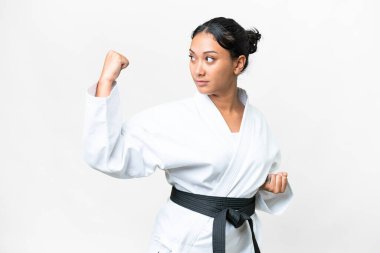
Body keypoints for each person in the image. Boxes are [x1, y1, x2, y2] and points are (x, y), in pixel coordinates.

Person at [82, 17, 293, 253]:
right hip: (183, 242)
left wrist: (269, 187)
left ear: (238, 63)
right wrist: (106, 81)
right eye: (192, 57)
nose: (198, 69)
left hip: (238, 242)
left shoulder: (257, 123)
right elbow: (107, 155)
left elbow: (252, 185)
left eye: (209, 59)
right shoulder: (174, 118)